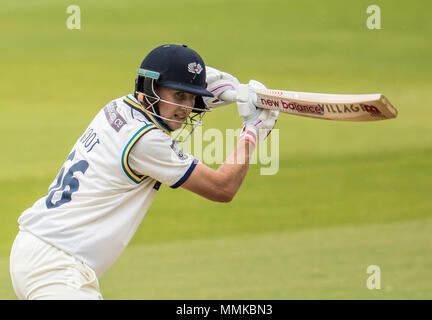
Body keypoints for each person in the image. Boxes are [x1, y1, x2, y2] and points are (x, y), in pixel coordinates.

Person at [9, 44, 279, 300]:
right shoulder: (146, 141)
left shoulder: (117, 107)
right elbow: (222, 188)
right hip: (57, 268)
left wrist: (208, 96)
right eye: (179, 95)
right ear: (151, 87)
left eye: (191, 98)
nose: (186, 109)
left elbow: (165, 110)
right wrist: (252, 130)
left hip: (35, 250)